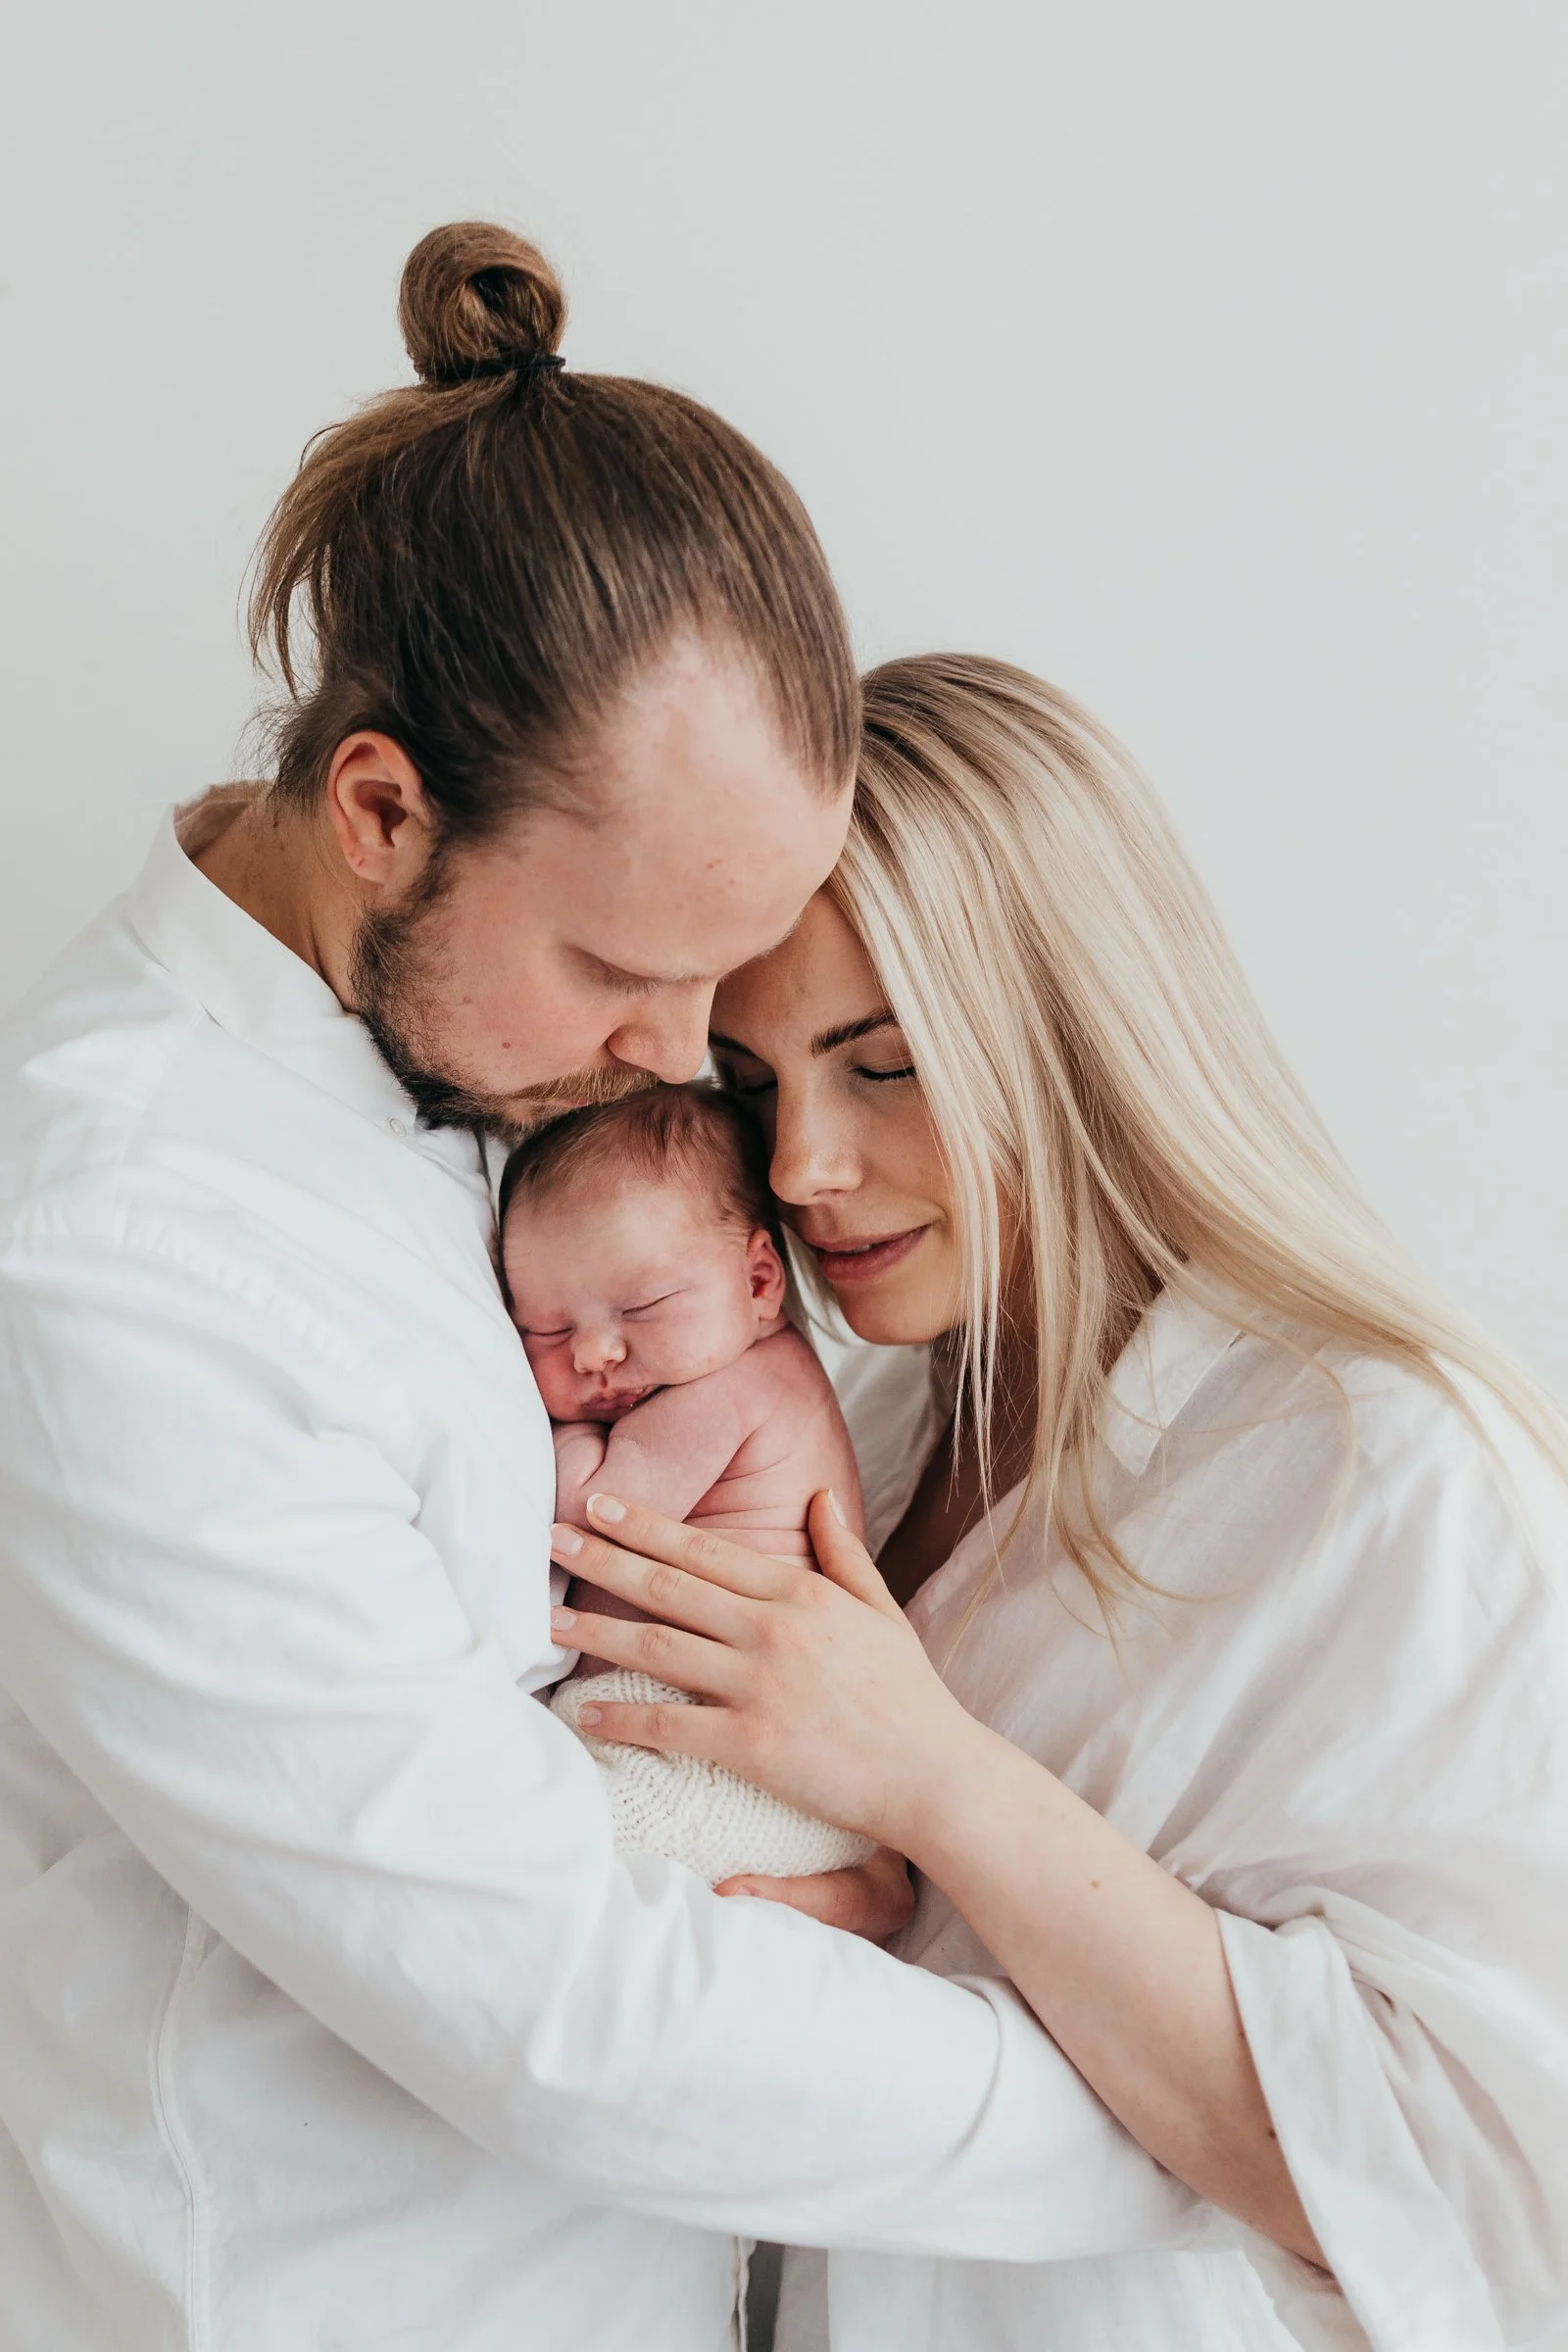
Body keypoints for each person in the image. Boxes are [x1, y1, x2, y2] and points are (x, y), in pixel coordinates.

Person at [0, 237, 1204, 2352]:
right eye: (627, 979)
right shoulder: (119, 1262)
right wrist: (1229, 2128)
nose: (678, 1068)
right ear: (379, 812)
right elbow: (557, 2009)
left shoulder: (466, 1036)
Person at [554, 654, 1568, 2350]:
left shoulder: (1389, 1474)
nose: (798, 1164)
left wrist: (936, 1780)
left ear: (1070, 1030)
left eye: (882, 1066)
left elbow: (1496, 2193)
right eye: (750, 1084)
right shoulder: (867, 1437)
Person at [502, 1084, 875, 1885]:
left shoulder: (736, 1388)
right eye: (547, 1330)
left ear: (760, 1280)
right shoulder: (740, 1370)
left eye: (643, 1307)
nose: (594, 1352)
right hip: (719, 1738)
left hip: (722, 1751)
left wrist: (564, 1433)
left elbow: (593, 1516)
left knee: (536, 1845)